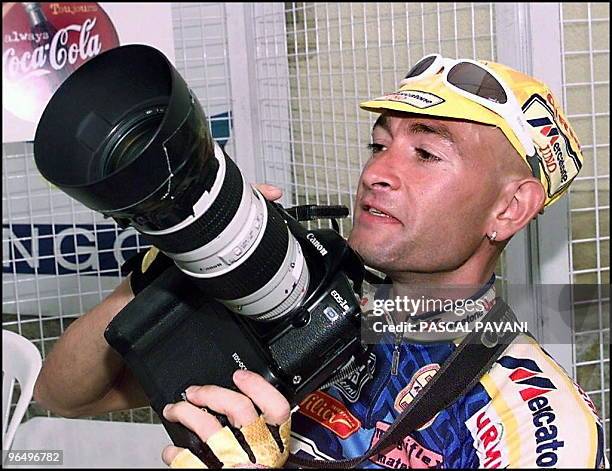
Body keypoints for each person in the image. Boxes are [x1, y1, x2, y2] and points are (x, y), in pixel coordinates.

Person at [33, 55, 607, 469]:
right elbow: (67, 395)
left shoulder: (530, 421)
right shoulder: (302, 294)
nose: (377, 173)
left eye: (426, 152)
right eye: (379, 145)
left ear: (509, 208)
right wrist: (176, 258)